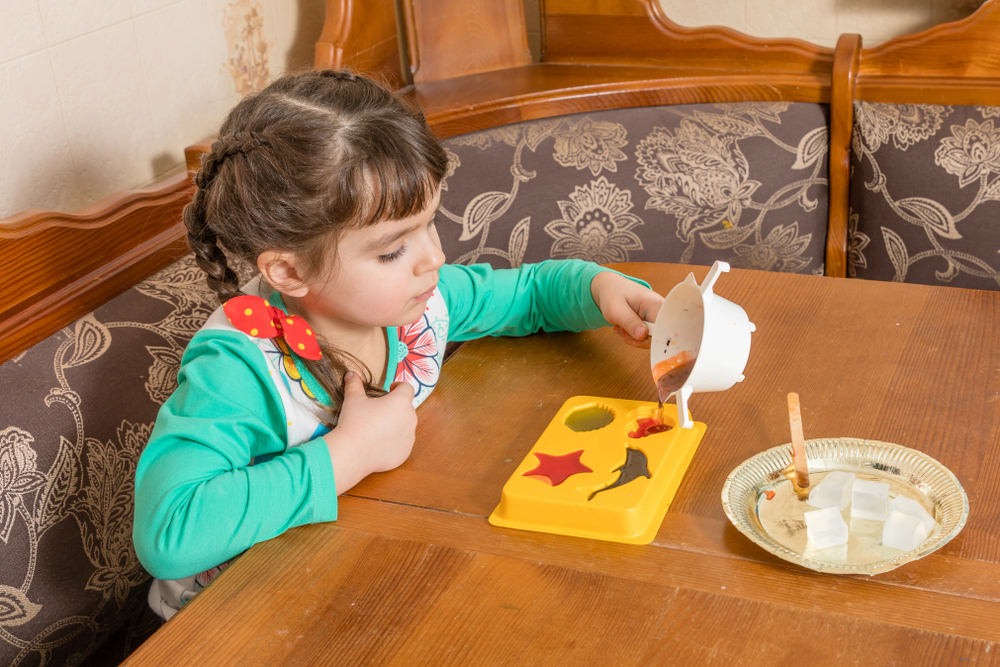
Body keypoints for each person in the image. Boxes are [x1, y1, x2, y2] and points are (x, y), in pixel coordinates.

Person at [132, 69, 662, 620]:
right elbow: (168, 532)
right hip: (233, 625)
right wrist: (350, 453)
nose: (432, 258)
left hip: (366, 579)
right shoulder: (238, 365)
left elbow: (529, 294)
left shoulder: (414, 303)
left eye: (429, 224)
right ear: (288, 271)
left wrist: (601, 288)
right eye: (391, 251)